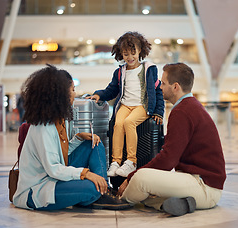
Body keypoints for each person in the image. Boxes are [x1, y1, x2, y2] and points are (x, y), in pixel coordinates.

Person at [13, 64, 131, 211]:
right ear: (61, 94)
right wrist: (86, 174)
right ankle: (97, 192)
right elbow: (53, 169)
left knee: (93, 143)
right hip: (38, 189)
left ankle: (103, 191)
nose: (75, 94)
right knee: (91, 187)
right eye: (72, 90)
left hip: (54, 179)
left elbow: (63, 154)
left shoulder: (61, 119)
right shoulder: (43, 127)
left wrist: (79, 139)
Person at [117, 63, 226, 217]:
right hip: (202, 185)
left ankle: (120, 199)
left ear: (175, 87)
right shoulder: (190, 106)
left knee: (141, 178)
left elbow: (168, 160)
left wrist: (130, 177)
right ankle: (183, 203)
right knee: (149, 193)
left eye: (163, 83)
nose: (160, 87)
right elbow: (174, 145)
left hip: (204, 186)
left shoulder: (182, 111)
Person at [87, 31, 164, 178]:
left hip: (142, 105)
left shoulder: (149, 69)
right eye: (126, 54)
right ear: (120, 54)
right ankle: (116, 162)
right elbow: (112, 90)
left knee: (129, 123)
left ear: (140, 50)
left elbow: (158, 91)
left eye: (133, 53)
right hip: (125, 105)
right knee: (118, 124)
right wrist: (99, 94)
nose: (130, 57)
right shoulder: (120, 72)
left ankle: (131, 161)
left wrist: (159, 112)